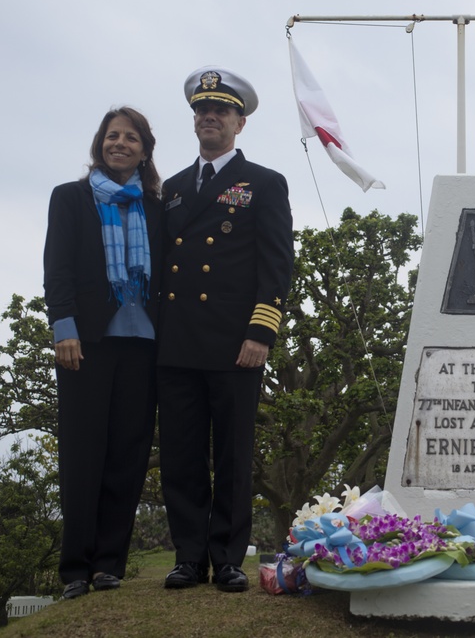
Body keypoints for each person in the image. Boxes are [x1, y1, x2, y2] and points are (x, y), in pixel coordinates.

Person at [157, 66, 294, 592]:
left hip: (237, 343)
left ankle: (228, 557)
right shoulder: (170, 190)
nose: (209, 117)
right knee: (181, 454)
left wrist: (262, 333)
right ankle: (189, 557)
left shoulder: (263, 182)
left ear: (240, 123)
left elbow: (277, 264)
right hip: (177, 342)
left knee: (233, 454)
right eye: (201, 110)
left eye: (221, 111)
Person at [43, 107, 161, 600]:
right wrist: (62, 328)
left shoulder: (157, 205)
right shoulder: (70, 198)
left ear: (144, 148)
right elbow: (58, 266)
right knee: (82, 453)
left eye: (130, 137)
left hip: (144, 345)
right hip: (85, 344)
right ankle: (75, 569)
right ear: (99, 143)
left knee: (128, 455)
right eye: (112, 136)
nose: (120, 143)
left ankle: (110, 563)